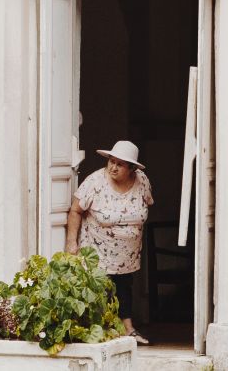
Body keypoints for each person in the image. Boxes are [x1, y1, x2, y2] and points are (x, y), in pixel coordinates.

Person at [65, 140, 153, 345]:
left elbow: (145, 205)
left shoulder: (142, 181)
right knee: (99, 288)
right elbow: (76, 211)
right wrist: (71, 243)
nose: (113, 167)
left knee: (124, 287)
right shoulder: (95, 182)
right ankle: (100, 331)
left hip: (127, 254)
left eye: (120, 164)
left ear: (131, 168)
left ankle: (128, 329)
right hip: (97, 248)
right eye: (111, 162)